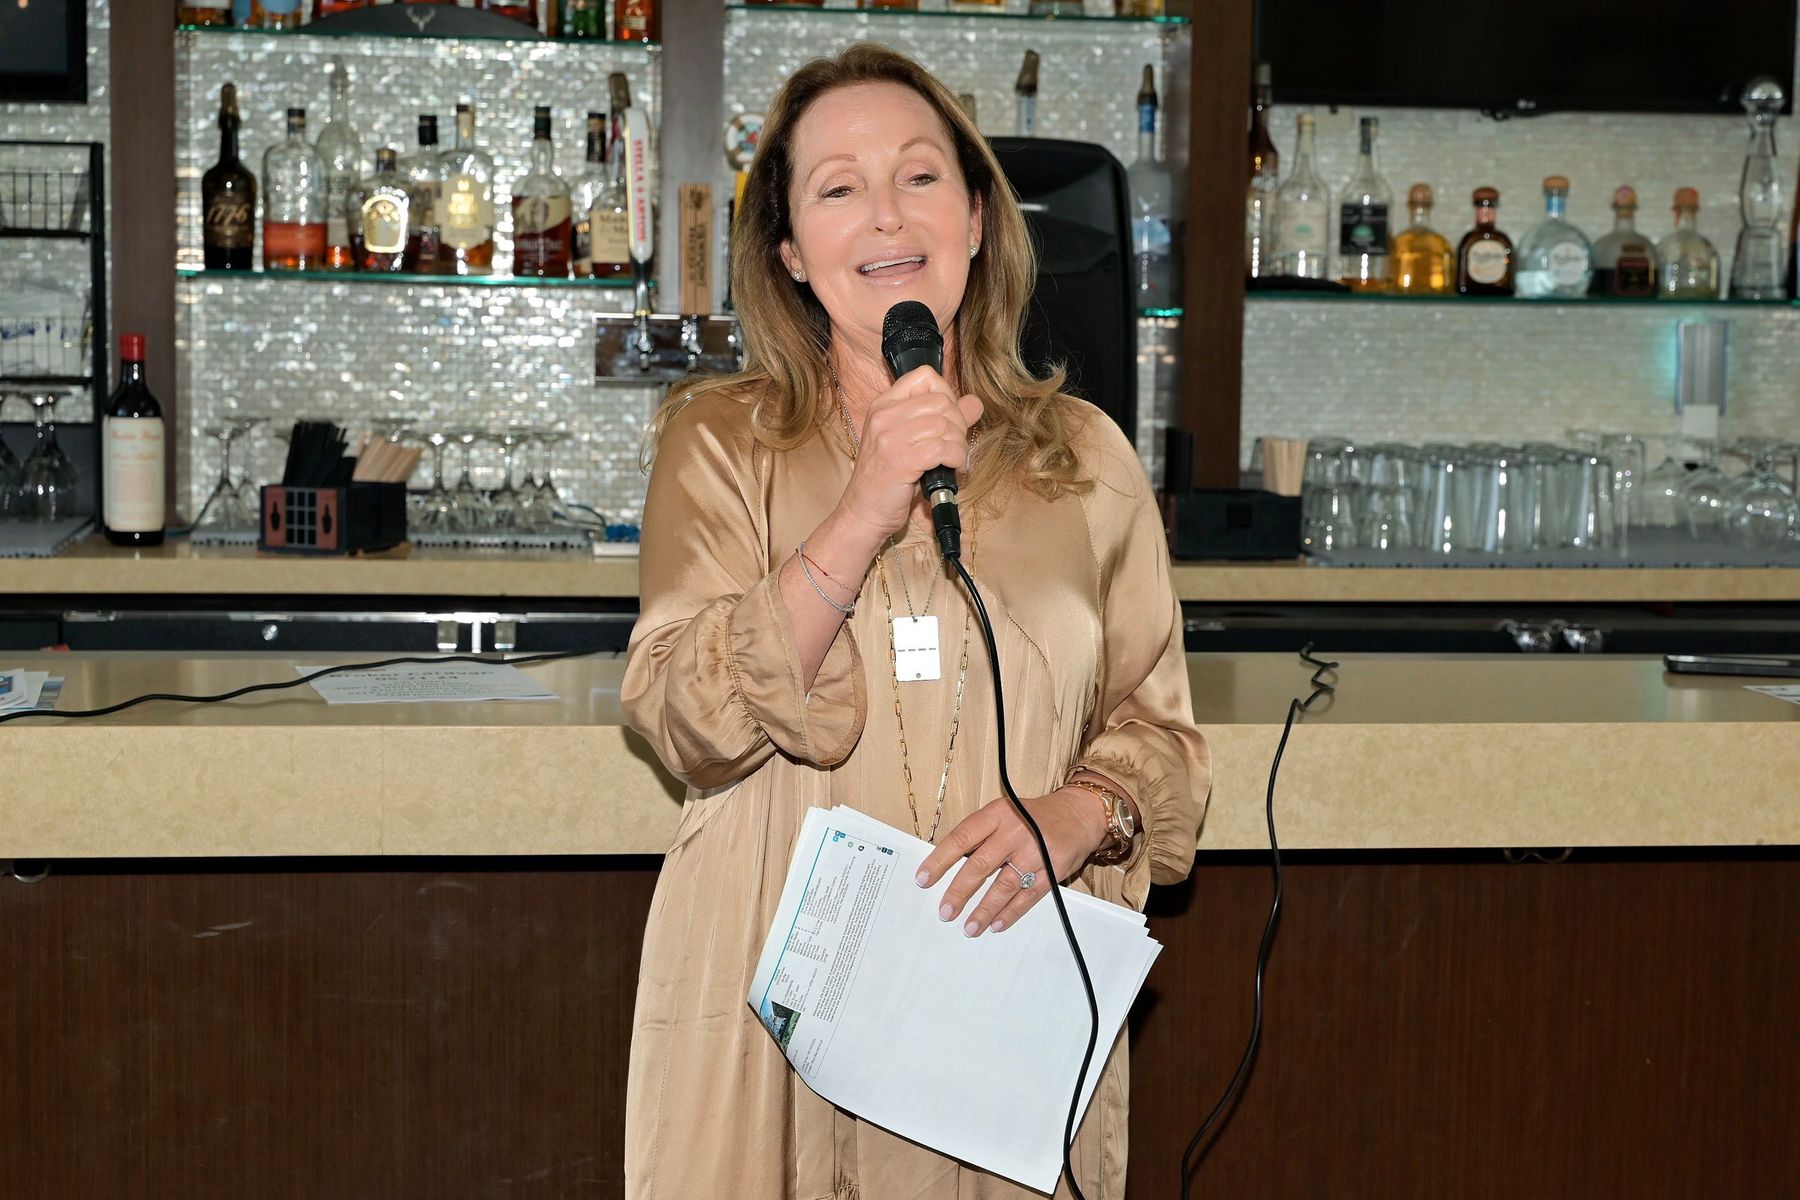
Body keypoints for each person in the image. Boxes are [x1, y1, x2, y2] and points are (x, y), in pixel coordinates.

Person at [621, 42, 1210, 1199]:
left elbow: (1164, 736)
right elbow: (684, 720)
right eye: (839, 187)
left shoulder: (1087, 456)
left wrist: (1083, 812)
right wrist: (862, 508)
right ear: (791, 251)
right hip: (773, 1030)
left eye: (920, 176)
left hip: (998, 1021)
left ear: (979, 218)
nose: (886, 214)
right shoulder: (717, 442)